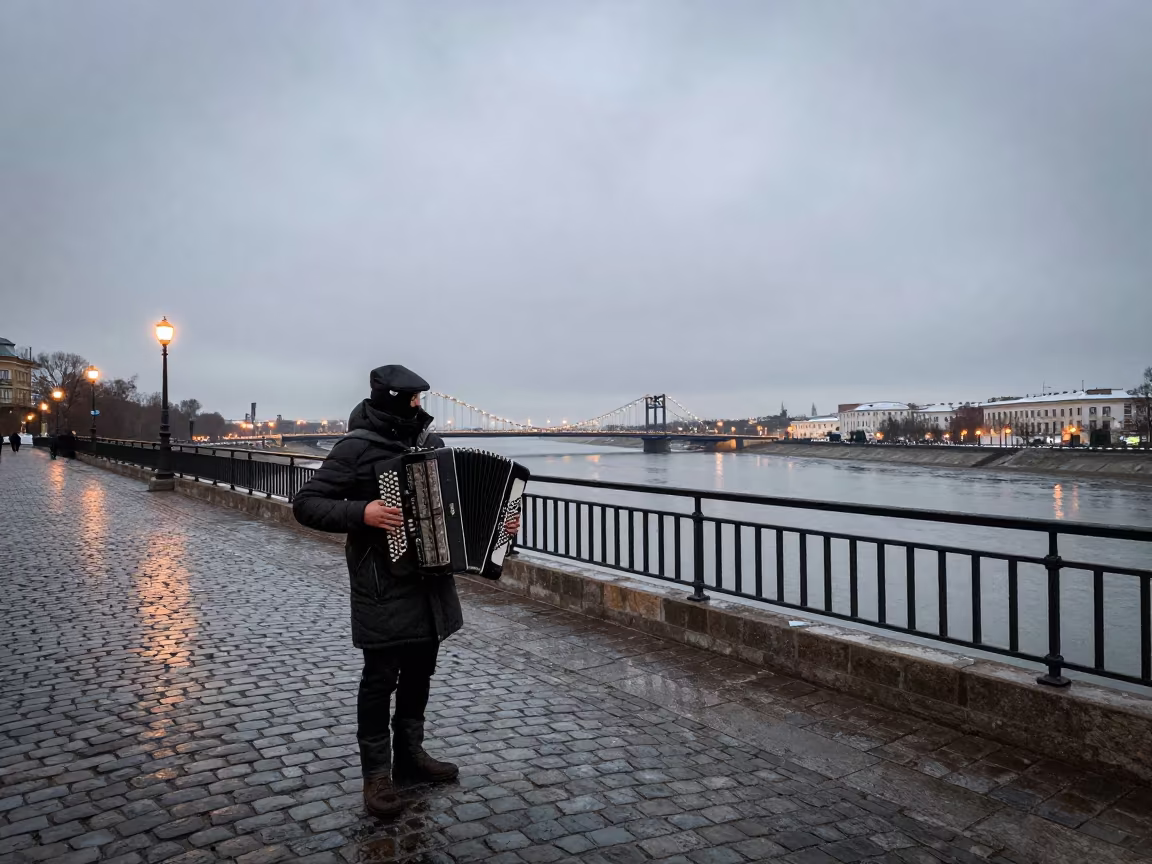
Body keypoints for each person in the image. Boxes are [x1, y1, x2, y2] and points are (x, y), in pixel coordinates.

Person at [292, 365, 519, 818]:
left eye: (421, 400)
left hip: (431, 582)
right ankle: (376, 775)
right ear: (392, 399)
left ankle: (411, 757)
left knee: (420, 673)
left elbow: (456, 510)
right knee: (379, 681)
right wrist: (363, 513)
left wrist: (501, 527)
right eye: (413, 400)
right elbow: (306, 504)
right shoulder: (355, 448)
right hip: (382, 582)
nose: (420, 407)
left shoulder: (430, 445)